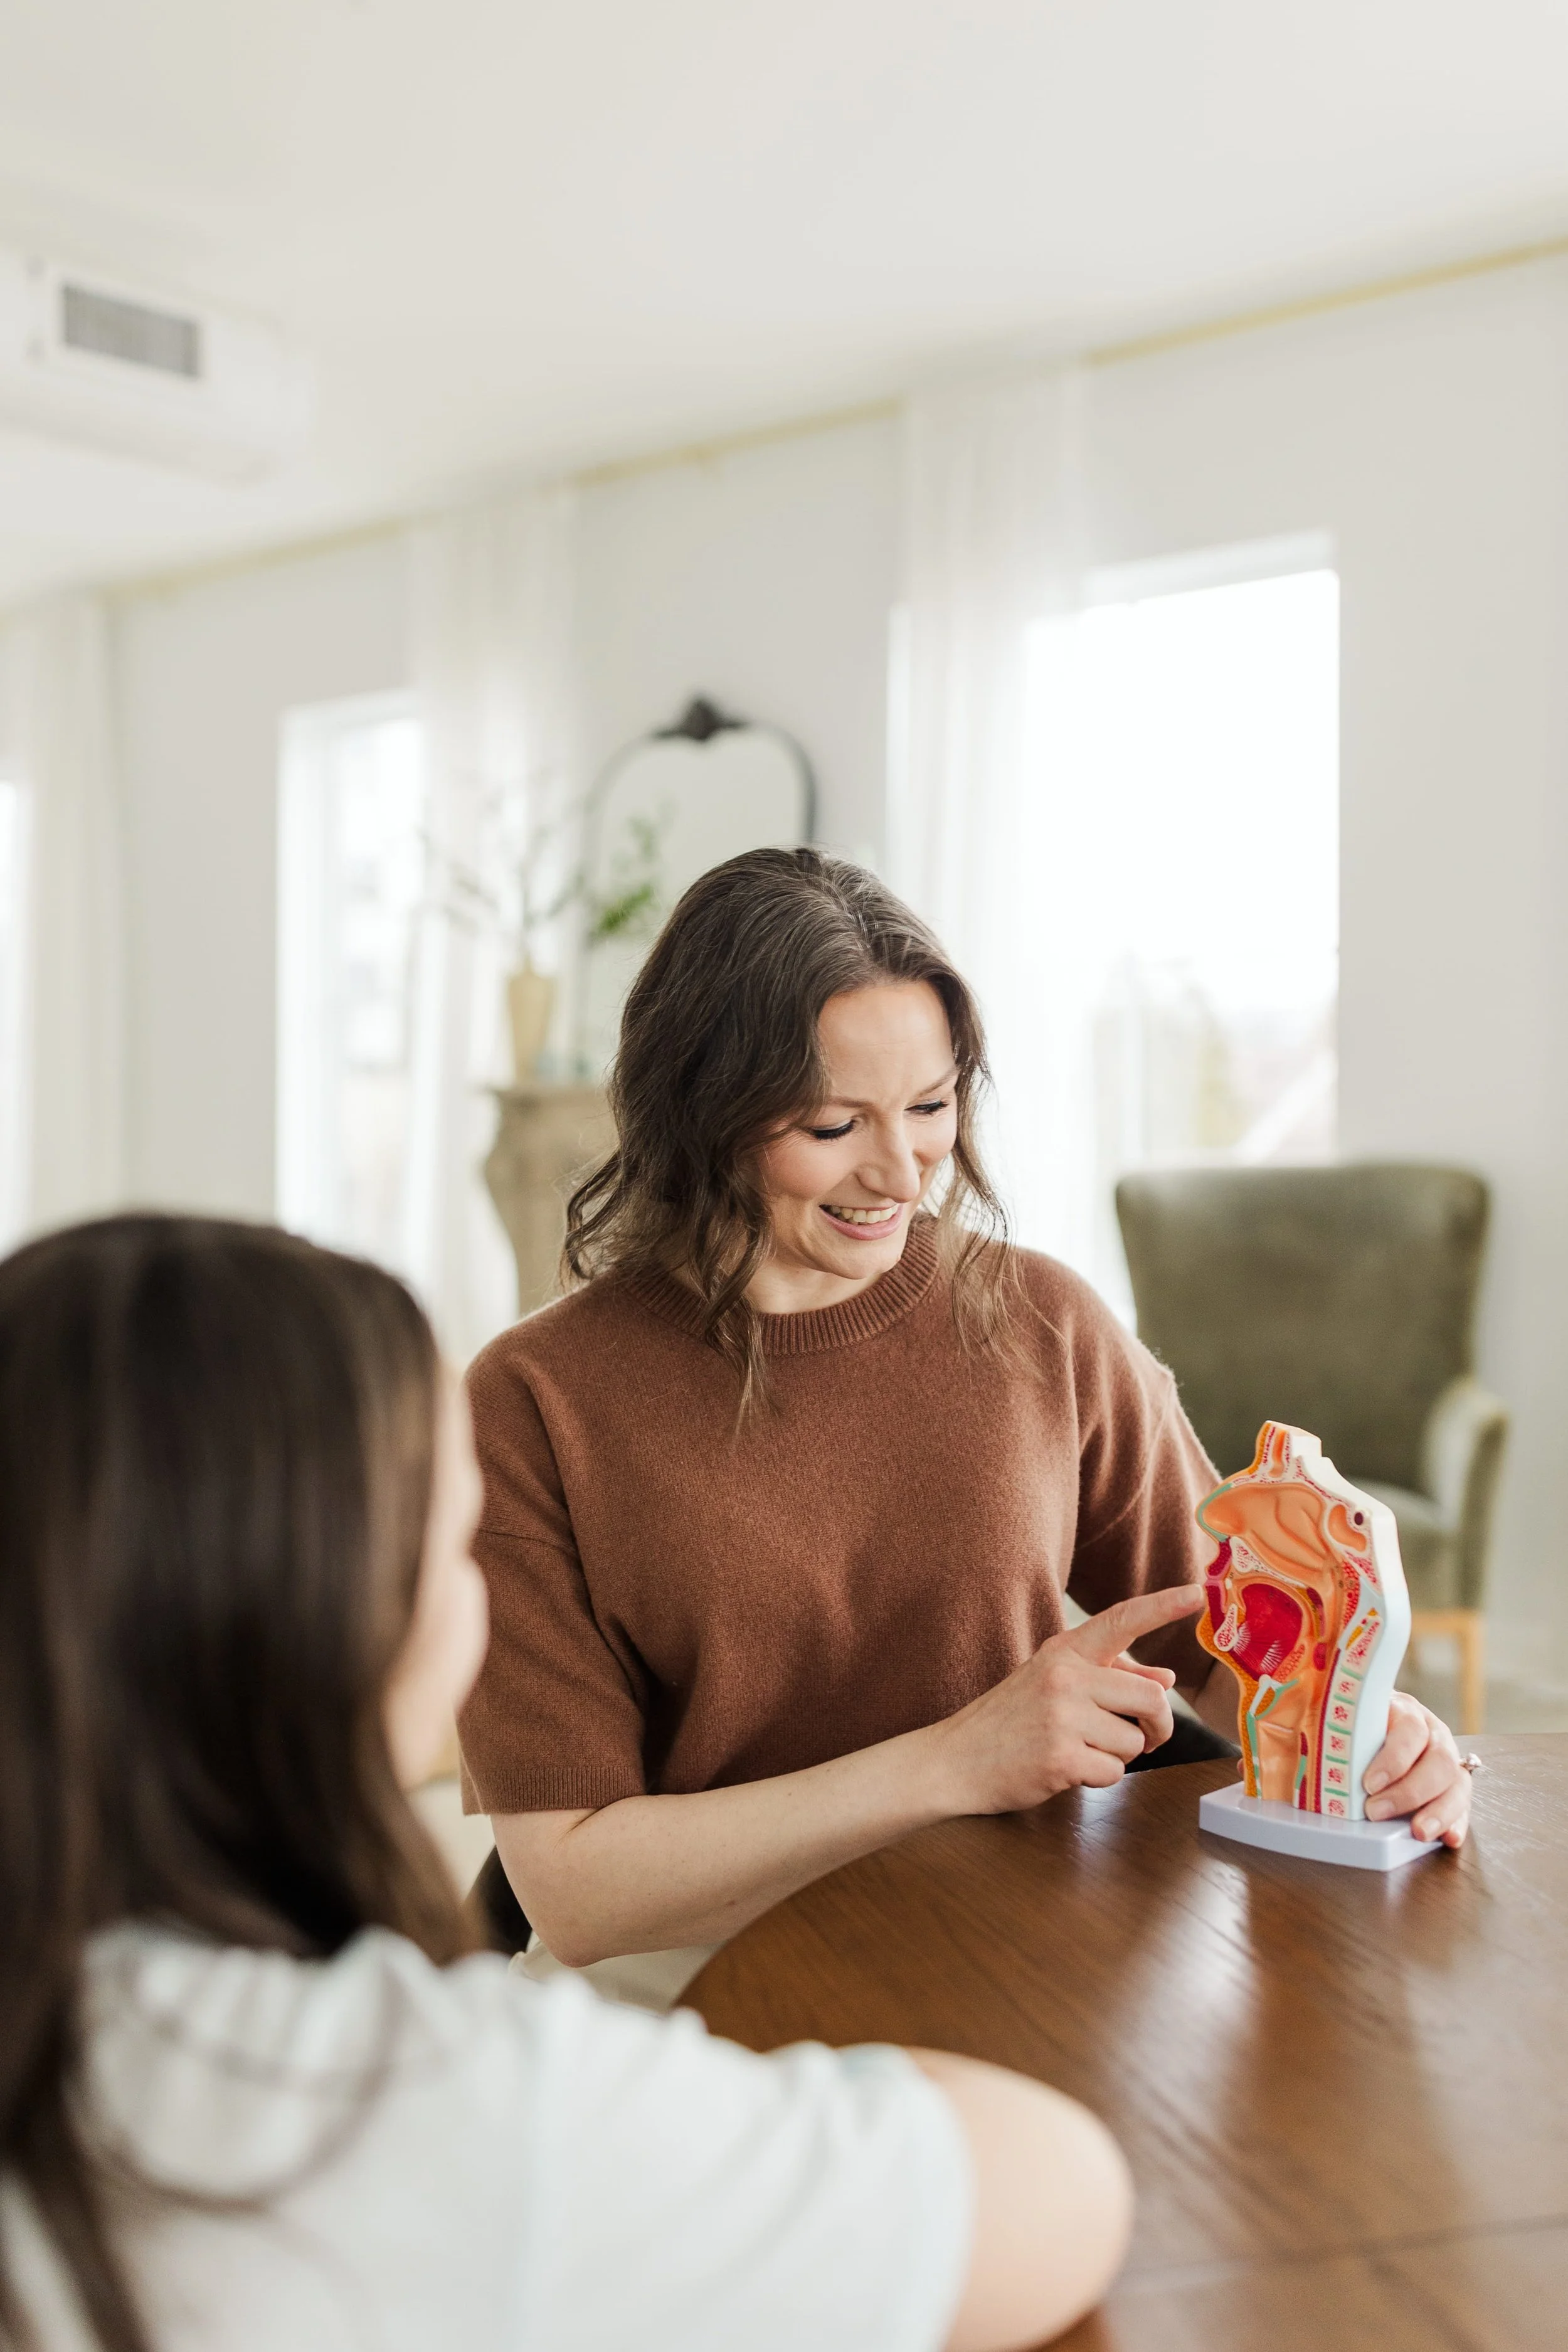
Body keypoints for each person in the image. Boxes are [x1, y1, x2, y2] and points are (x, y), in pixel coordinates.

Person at [0, 1213, 1133, 2352]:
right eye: (453, 1543)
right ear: (324, 1618)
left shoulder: (1043, 1317)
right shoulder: (421, 2107)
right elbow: (1058, 2190)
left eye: (931, 1107)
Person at [462, 849, 1473, 2006]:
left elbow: (1243, 1649)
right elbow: (577, 1895)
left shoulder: (1043, 1319)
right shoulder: (532, 1401)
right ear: (699, 1111)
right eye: (834, 1123)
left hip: (1011, 1951)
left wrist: (1373, 1734)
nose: (902, 1171)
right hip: (683, 1991)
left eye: (933, 1106)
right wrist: (958, 1761)